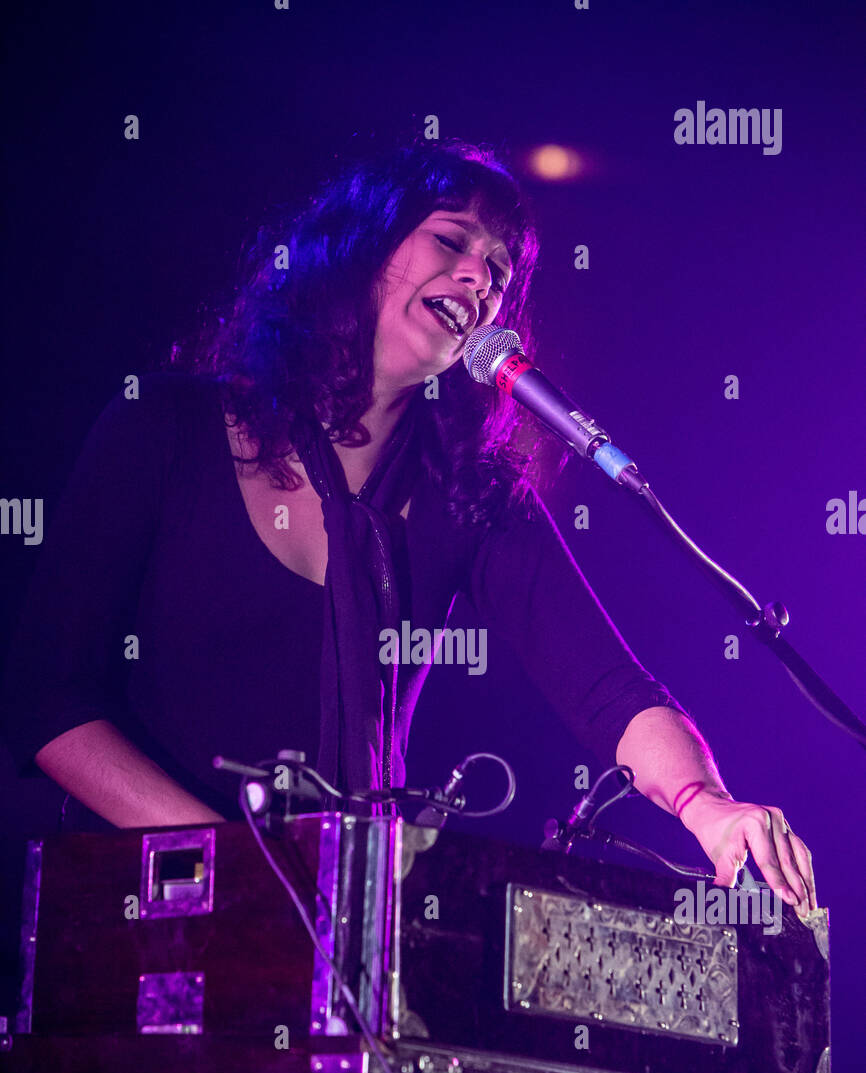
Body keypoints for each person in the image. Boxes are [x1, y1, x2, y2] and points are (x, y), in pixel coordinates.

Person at [1, 138, 815, 913]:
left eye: (498, 272)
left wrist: (707, 806)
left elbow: (608, 690)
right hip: (139, 911)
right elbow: (47, 697)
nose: (478, 280)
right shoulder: (166, 429)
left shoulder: (470, 497)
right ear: (363, 248)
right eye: (451, 242)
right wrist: (232, 873)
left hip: (340, 925)